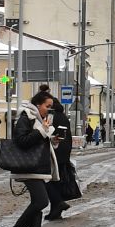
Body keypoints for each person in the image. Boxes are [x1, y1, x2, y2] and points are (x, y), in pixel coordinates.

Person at [2, 90, 60, 227]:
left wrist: (53, 139)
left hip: (38, 167)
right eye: (47, 106)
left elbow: (39, 141)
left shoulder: (40, 120)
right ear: (38, 105)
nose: (49, 109)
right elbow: (21, 141)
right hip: (28, 167)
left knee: (38, 203)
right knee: (41, 202)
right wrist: (42, 131)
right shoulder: (25, 117)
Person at [45, 90, 75, 219]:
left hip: (54, 152)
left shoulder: (51, 117)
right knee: (57, 181)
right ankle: (55, 211)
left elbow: (48, 133)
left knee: (47, 180)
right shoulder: (63, 116)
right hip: (64, 153)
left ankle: (58, 203)